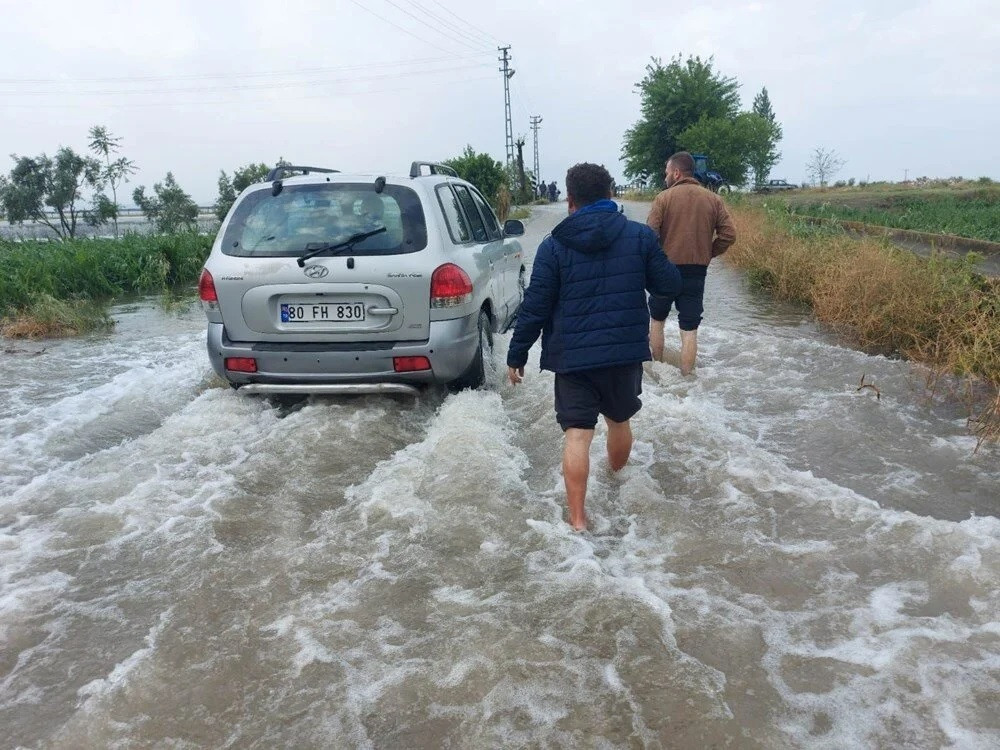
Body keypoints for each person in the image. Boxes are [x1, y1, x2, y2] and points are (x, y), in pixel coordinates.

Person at [507, 163, 681, 532]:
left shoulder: (553, 246)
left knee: (577, 435)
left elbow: (535, 307)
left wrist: (516, 354)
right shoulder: (639, 237)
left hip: (573, 358)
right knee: (619, 422)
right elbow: (667, 284)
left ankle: (578, 520)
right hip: (622, 352)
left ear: (570, 200)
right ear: (611, 194)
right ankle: (618, 484)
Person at [646, 151, 736, 375]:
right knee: (689, 329)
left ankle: (659, 373)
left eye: (667, 172)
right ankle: (687, 380)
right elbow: (729, 235)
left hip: (665, 270)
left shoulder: (663, 198)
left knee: (657, 320)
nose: (665, 176)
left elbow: (649, 235)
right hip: (696, 271)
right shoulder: (713, 199)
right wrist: (707, 253)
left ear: (676, 173)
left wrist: (655, 260)